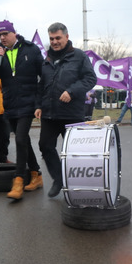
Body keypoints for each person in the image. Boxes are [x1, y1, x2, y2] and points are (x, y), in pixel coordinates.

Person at [34, 22, 98, 198]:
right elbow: (41, 86)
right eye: (52, 38)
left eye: (58, 38)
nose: (54, 42)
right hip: (49, 113)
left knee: (74, 153)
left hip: (71, 114)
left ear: (66, 37)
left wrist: (72, 91)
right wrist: (38, 105)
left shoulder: (78, 56)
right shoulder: (46, 59)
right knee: (45, 146)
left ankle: (81, 185)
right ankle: (59, 179)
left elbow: (91, 79)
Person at [0, 19, 44, 200]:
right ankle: (36, 175)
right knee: (23, 139)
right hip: (10, 104)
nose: (2, 38)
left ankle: (18, 180)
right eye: (0, 35)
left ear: (14, 33)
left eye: (5, 34)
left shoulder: (31, 50)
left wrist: (39, 103)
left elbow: (44, 76)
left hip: (28, 103)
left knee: (19, 139)